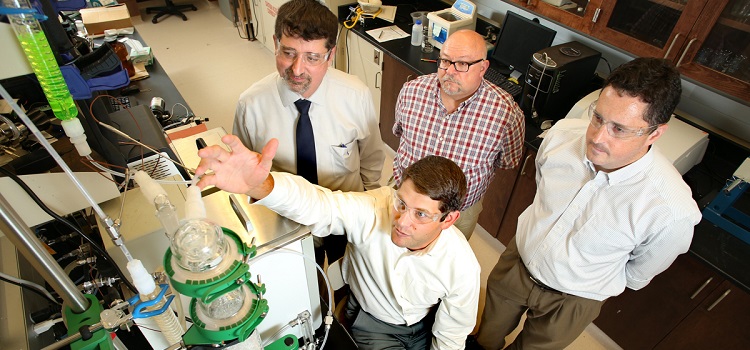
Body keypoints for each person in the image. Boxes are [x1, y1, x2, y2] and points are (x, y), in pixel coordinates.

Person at [470, 57, 703, 350]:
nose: (596, 137)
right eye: (598, 118)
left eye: (619, 129)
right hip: (518, 263)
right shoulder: (561, 136)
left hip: (573, 300)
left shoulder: (671, 211)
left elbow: (637, 274)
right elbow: (542, 186)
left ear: (655, 133)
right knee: (484, 338)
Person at [195, 135, 481, 350]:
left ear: (449, 219)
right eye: (401, 203)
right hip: (373, 322)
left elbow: (452, 333)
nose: (402, 221)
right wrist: (261, 185)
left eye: (420, 214)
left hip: (425, 325)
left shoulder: (463, 266)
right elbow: (321, 205)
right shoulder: (374, 208)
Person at [232, 0, 385, 266]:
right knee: (308, 290)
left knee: (348, 283)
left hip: (345, 217)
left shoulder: (356, 95)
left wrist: (367, 211)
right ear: (275, 43)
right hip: (287, 224)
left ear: (331, 54)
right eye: (288, 53)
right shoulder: (250, 105)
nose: (298, 69)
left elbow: (371, 159)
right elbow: (245, 176)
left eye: (312, 57)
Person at [392, 29, 525, 239]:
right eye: (445, 61)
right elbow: (400, 135)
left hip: (459, 213)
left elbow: (507, 161)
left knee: (445, 268)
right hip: (405, 202)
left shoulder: (506, 113)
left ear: (483, 68)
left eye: (462, 64)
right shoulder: (411, 91)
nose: (450, 71)